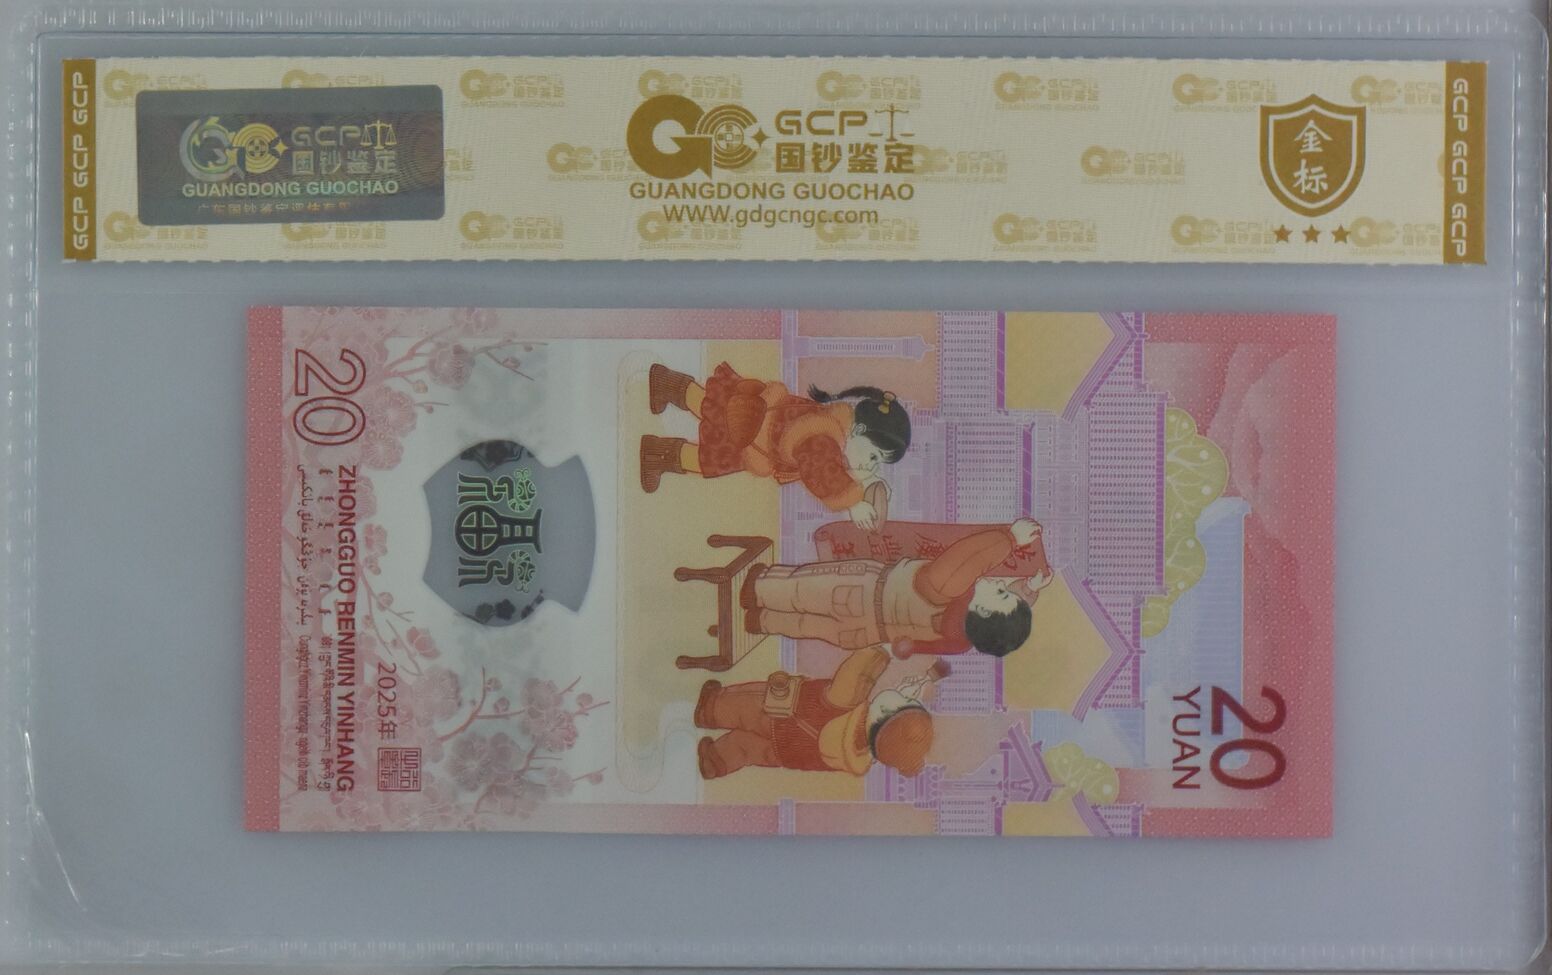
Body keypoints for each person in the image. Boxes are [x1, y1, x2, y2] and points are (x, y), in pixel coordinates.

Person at [640, 362, 911, 531]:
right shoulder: (824, 438)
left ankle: (665, 393)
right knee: (708, 453)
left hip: (758, 423)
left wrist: (870, 482)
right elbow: (821, 473)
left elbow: (836, 465)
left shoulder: (835, 427)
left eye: (877, 463)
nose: (870, 465)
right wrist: (852, 503)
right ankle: (657, 450)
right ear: (860, 430)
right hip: (753, 434)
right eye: (874, 456)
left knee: (709, 405)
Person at [743, 518, 1052, 658]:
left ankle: (758, 588)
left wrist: (1010, 538)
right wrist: (1028, 588)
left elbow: (968, 559)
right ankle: (763, 621)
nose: (999, 584)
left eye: (1001, 592)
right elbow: (1000, 623)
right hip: (863, 634)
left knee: (802, 590)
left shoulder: (948, 588)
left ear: (982, 609)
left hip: (860, 592)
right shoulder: (962, 640)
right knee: (806, 625)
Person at [693, 647, 940, 779]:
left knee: (745, 706)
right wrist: (907, 692)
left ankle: (711, 708)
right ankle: (716, 761)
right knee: (747, 749)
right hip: (785, 754)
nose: (906, 694)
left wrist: (882, 652)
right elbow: (889, 724)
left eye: (906, 700)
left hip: (780, 716)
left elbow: (858, 672)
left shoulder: (848, 702)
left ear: (885, 710)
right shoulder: (857, 755)